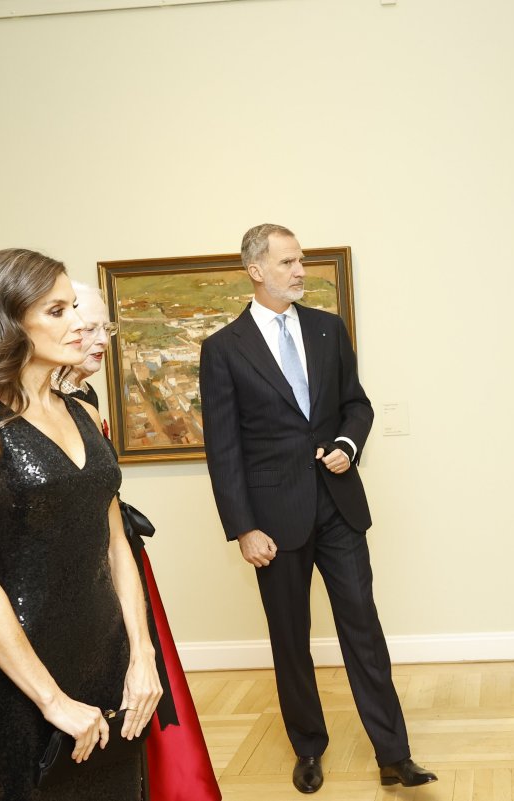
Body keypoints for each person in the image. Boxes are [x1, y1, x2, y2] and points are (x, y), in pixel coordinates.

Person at [200, 224, 437, 794]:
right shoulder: (223, 350)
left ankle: (394, 755)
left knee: (364, 629)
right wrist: (243, 529)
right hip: (272, 522)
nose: (300, 270)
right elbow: (223, 449)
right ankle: (308, 749)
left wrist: (348, 446)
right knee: (290, 637)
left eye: (301, 260)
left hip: (338, 509)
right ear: (256, 270)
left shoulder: (328, 330)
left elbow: (357, 405)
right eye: (287, 262)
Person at [0, 249, 162, 801]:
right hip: (24, 682)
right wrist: (53, 702)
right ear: (8, 323)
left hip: (109, 664)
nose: (79, 323)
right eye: (58, 311)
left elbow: (117, 543)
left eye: (74, 307)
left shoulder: (77, 410)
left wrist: (142, 656)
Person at [54, 282, 222, 801]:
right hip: (76, 577)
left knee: (143, 674)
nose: (101, 338)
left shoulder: (84, 396)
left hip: (120, 557)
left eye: (107, 327)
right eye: (89, 326)